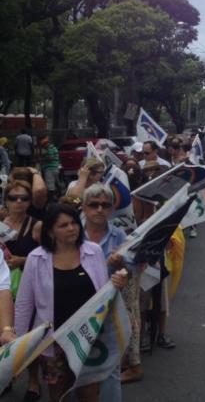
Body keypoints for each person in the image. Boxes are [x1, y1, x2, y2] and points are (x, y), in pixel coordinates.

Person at [14, 203, 128, 402]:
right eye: (63, 225)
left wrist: (120, 280)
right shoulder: (36, 258)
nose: (71, 228)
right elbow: (24, 304)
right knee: (58, 394)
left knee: (89, 392)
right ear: (50, 231)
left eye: (74, 223)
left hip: (89, 337)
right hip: (53, 340)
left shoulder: (94, 251)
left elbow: (104, 292)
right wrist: (20, 346)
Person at [81, 184, 127, 398]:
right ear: (84, 207)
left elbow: (131, 270)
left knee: (110, 368)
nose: (99, 209)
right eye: (94, 205)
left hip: (108, 310)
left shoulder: (119, 235)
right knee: (78, 366)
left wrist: (121, 271)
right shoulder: (71, 231)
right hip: (77, 310)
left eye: (105, 205)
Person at [1, 180, 41, 399]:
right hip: (4, 286)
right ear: (5, 201)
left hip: (29, 287)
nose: (18, 202)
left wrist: (22, 260)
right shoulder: (0, 222)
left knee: (28, 336)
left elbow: (49, 256)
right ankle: (6, 376)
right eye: (13, 198)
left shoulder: (36, 225)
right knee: (4, 333)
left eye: (24, 198)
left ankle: (33, 381)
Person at [39, 135, 60, 201]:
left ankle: (51, 200)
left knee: (50, 185)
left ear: (46, 144)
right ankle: (59, 196)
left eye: (43, 146)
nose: (44, 147)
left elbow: (50, 158)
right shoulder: (54, 148)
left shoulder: (50, 148)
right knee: (55, 183)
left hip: (50, 168)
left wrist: (41, 159)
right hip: (54, 168)